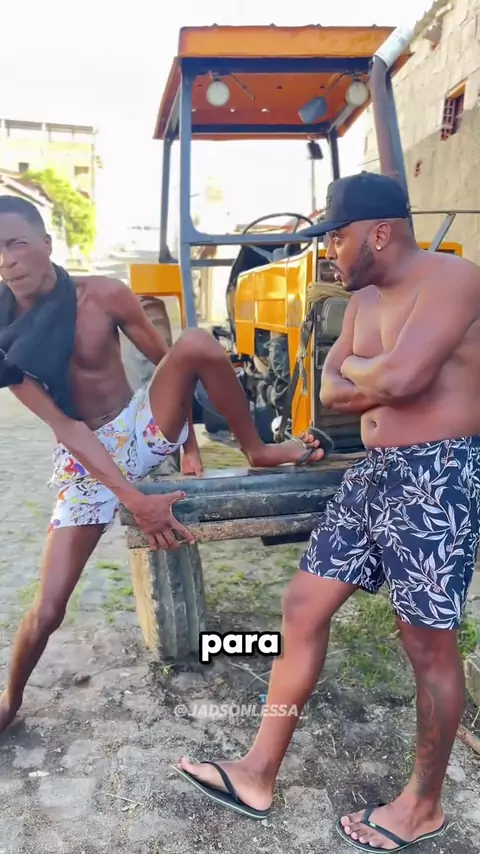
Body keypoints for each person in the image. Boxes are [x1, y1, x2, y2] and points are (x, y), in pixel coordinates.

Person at [174, 171, 480, 852]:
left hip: (437, 476)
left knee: (426, 644)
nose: (329, 250)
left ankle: (422, 807)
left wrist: (378, 375)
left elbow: (401, 379)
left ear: (380, 232)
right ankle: (256, 772)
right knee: (302, 606)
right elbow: (331, 391)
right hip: (372, 473)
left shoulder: (454, 280)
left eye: (337, 236)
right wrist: (383, 375)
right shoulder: (361, 299)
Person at [0, 195, 325, 734]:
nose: (7, 260)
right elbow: (68, 428)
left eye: (15, 243)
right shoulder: (5, 336)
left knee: (196, 341)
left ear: (46, 244)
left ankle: (257, 448)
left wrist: (187, 444)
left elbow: (168, 363)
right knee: (50, 606)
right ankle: (10, 700)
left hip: (137, 426)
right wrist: (135, 500)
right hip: (84, 459)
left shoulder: (104, 295)